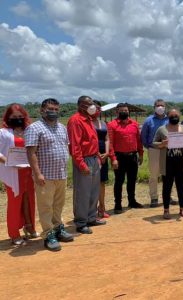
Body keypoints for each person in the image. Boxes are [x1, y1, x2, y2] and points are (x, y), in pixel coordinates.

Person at [25, 98, 74, 251]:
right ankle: (48, 235)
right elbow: (31, 152)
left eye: (55, 109)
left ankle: (58, 228)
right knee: (46, 206)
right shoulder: (34, 128)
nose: (53, 112)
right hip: (45, 175)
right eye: (50, 109)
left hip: (61, 174)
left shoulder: (62, 127)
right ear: (42, 110)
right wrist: (37, 173)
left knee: (58, 204)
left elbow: (65, 148)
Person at [0, 104, 37, 246]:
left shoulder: (28, 131)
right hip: (13, 172)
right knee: (15, 203)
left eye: (20, 116)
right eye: (14, 117)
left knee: (30, 200)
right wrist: (8, 162)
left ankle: (30, 227)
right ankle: (14, 234)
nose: (18, 119)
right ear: (8, 117)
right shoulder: (3, 133)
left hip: (28, 171)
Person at [67, 96, 105, 234]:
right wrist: (81, 164)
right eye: (88, 104)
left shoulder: (89, 119)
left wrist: (98, 158)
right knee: (82, 192)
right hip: (83, 159)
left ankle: (91, 217)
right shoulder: (76, 120)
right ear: (80, 105)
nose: (91, 106)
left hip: (94, 158)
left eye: (92, 104)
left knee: (94, 190)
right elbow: (75, 145)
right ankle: (81, 222)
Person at [153, 109, 183, 219]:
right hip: (167, 163)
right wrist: (162, 144)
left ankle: (182, 208)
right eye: (172, 115)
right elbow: (154, 143)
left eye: (176, 115)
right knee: (167, 187)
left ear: (179, 116)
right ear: (168, 116)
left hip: (181, 162)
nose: (174, 117)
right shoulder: (162, 129)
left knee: (181, 187)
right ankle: (166, 210)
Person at [108, 103, 144, 214]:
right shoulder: (112, 125)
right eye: (122, 110)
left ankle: (132, 201)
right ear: (117, 112)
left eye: (126, 110)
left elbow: (138, 140)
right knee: (119, 181)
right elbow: (110, 144)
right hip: (119, 157)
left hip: (132, 156)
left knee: (132, 180)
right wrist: (113, 158)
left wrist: (141, 154)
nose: (124, 112)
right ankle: (118, 204)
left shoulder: (134, 124)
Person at [141, 99, 169, 207]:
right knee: (154, 175)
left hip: (167, 150)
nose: (160, 107)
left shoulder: (169, 119)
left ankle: (167, 196)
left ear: (165, 107)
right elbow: (143, 137)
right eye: (158, 105)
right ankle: (154, 197)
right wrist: (150, 147)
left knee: (168, 175)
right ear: (154, 107)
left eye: (162, 105)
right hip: (154, 150)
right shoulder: (149, 120)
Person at [92, 100, 110, 218]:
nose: (98, 110)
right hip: (92, 155)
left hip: (104, 156)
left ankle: (101, 208)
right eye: (95, 108)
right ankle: (91, 210)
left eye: (99, 108)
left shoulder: (103, 123)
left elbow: (107, 138)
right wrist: (97, 153)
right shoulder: (87, 123)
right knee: (92, 183)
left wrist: (107, 153)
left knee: (101, 183)